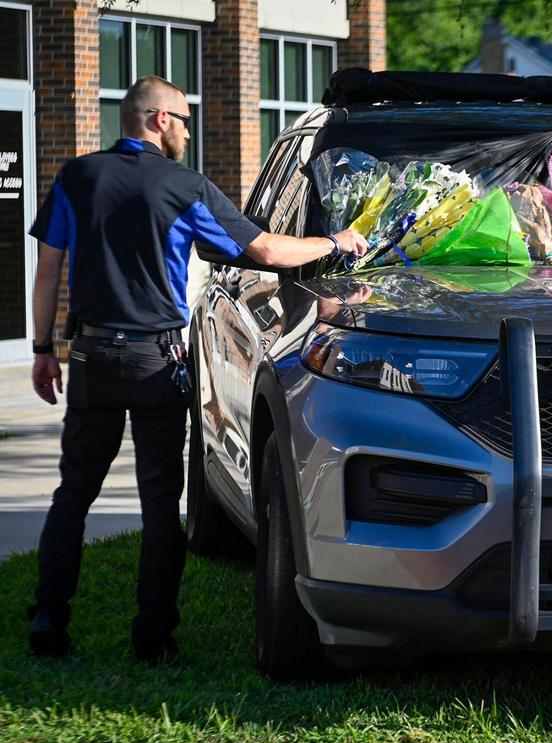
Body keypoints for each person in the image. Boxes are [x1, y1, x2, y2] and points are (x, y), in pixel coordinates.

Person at [26, 75, 366, 663]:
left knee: (74, 493)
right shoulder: (184, 188)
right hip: (155, 363)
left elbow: (49, 269)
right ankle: (153, 638)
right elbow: (265, 252)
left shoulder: (76, 178)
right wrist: (337, 240)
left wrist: (41, 349)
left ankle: (48, 622)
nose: (188, 130)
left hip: (90, 358)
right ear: (157, 120)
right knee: (160, 503)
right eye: (183, 119)